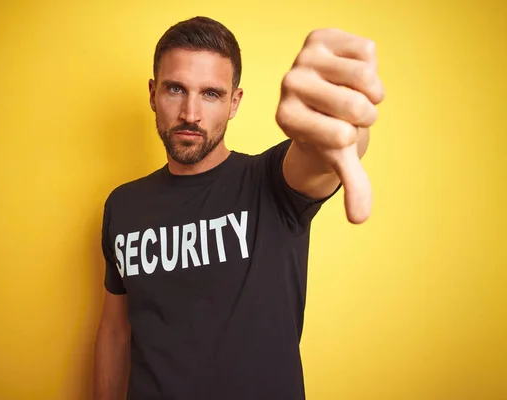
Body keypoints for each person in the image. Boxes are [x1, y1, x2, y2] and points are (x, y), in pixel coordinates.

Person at [93, 16, 384, 400]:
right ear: (152, 93)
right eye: (175, 89)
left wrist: (339, 123)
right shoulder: (123, 205)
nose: (190, 113)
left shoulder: (272, 182)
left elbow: (317, 157)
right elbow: (115, 330)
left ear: (235, 102)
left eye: (211, 94)